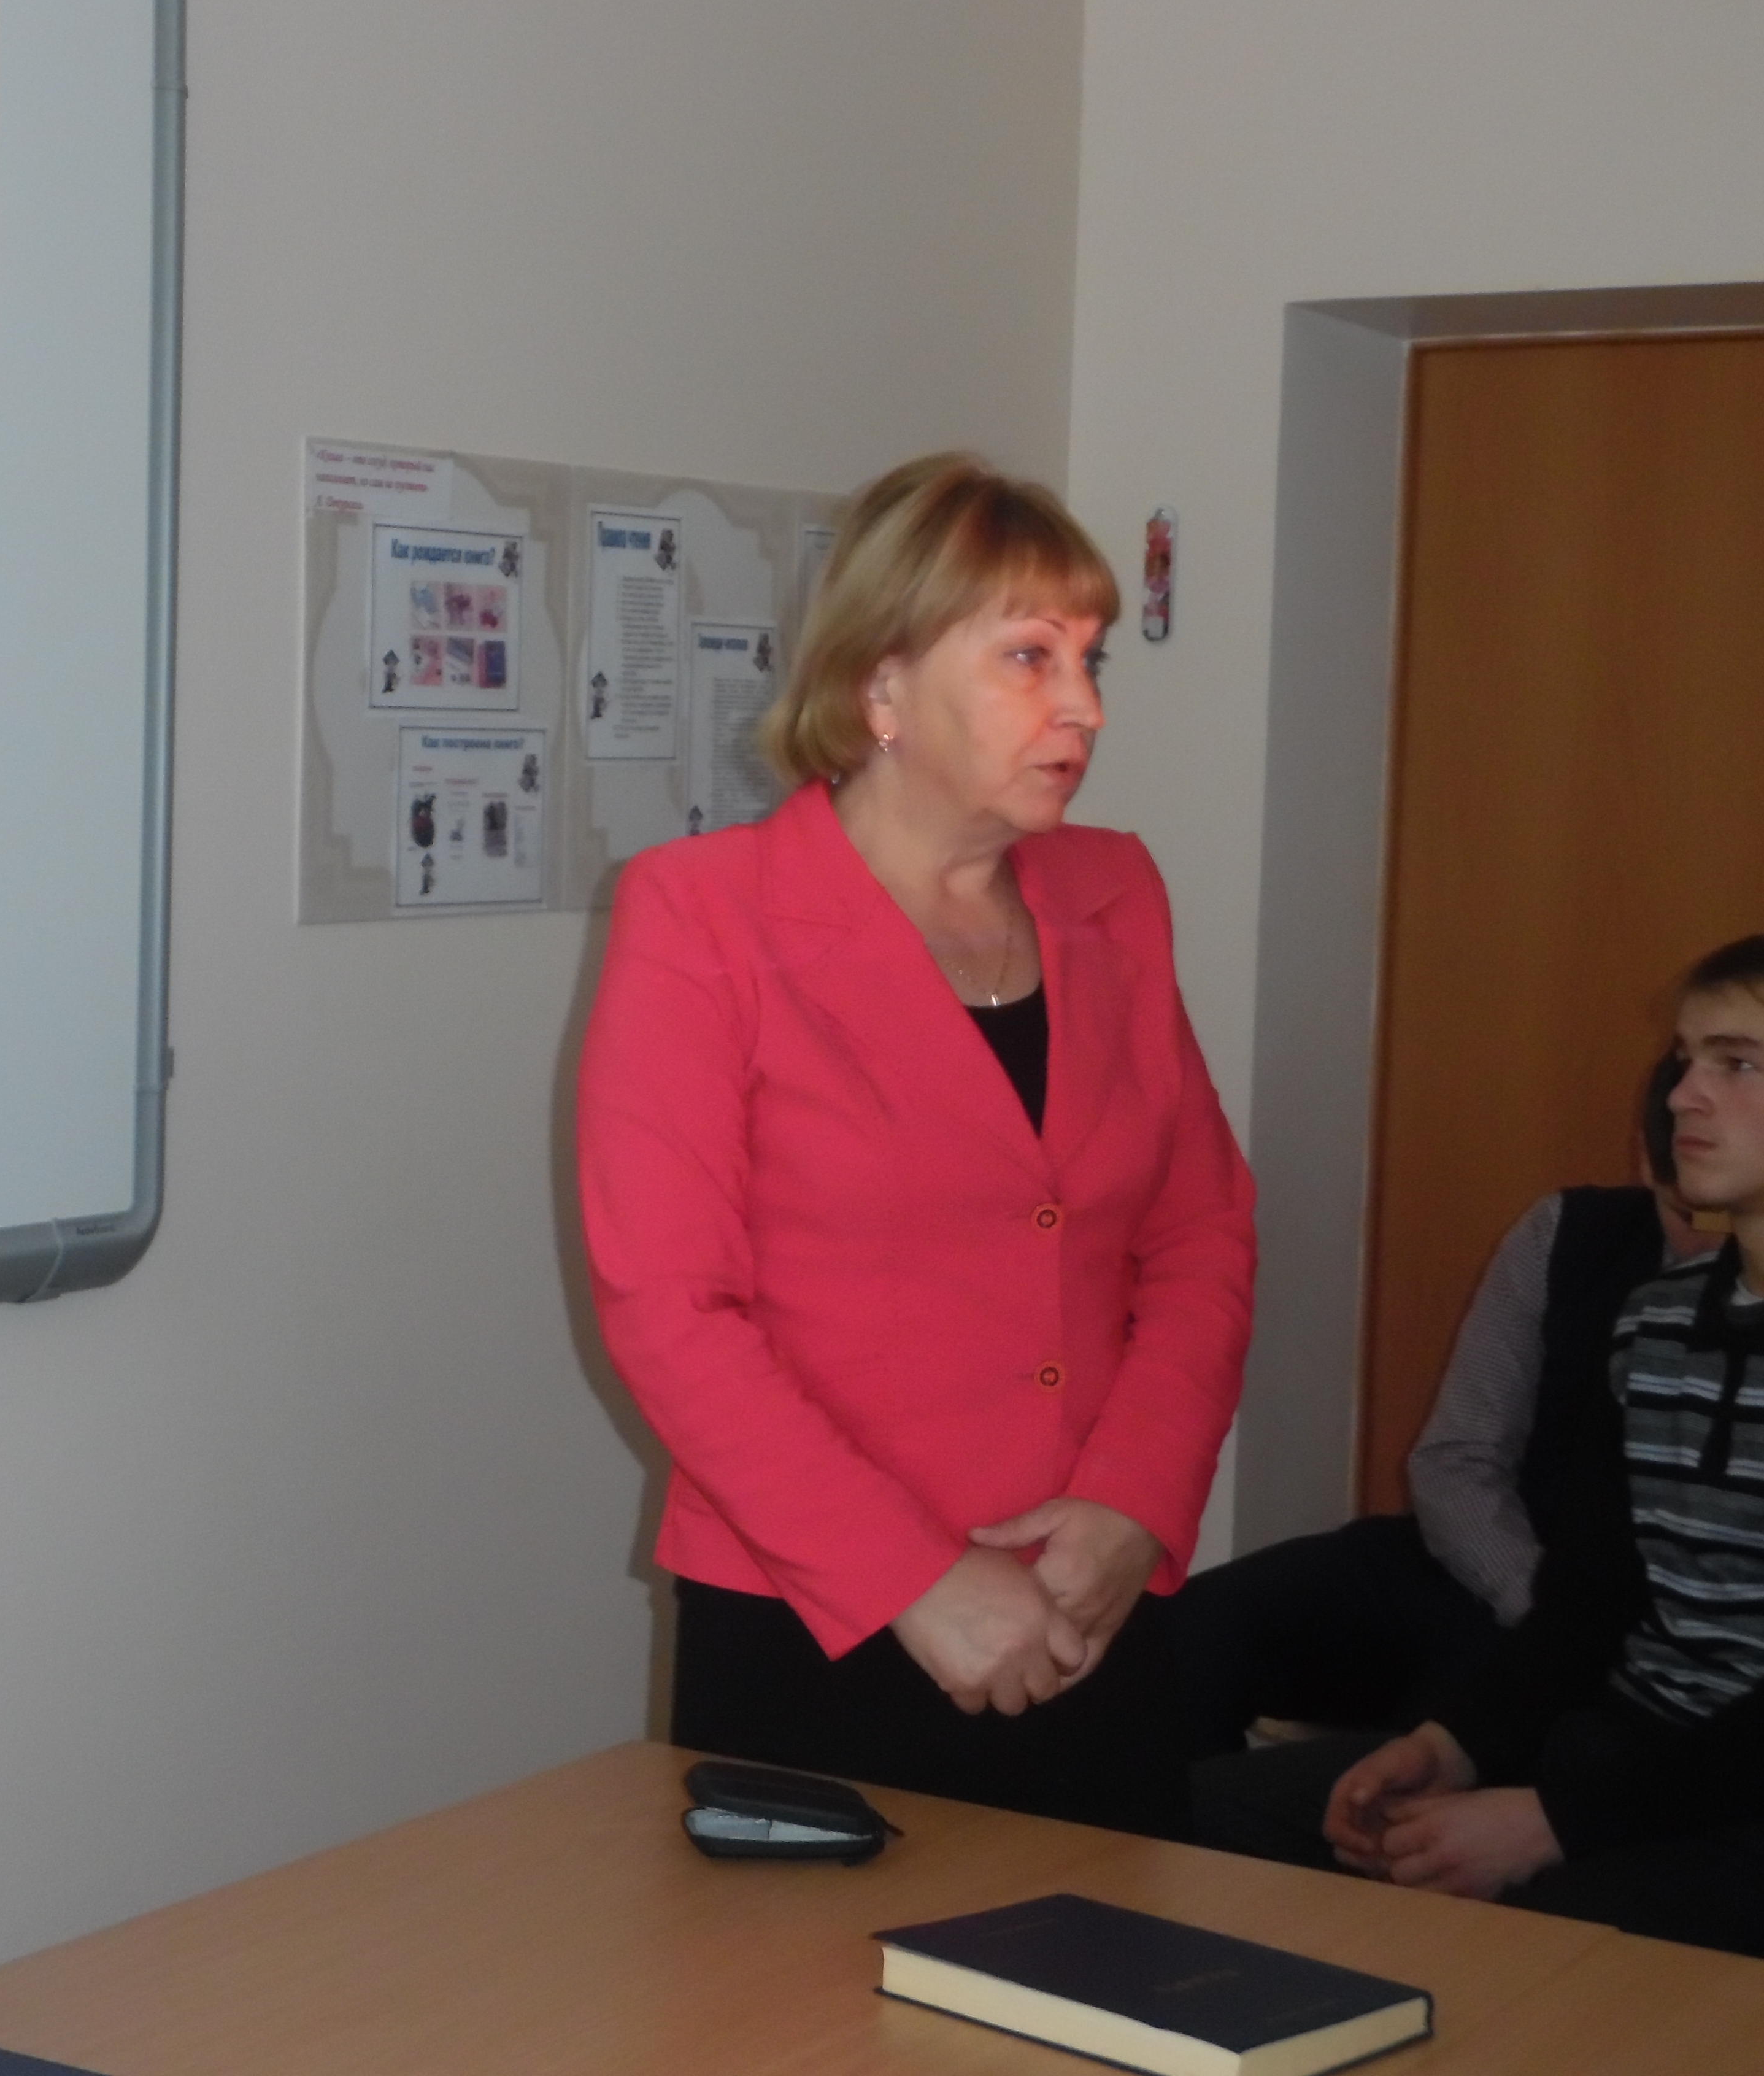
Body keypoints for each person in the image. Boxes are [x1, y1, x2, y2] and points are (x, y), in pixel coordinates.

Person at [575, 453, 1255, 1838]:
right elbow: (671, 1309)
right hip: (821, 1621)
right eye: (1028, 657)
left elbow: (1202, 1235)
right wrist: (914, 1580)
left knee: (1107, 1966)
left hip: (1092, 1604)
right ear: (880, 684)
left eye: (1090, 660)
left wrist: (1131, 1505)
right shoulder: (703, 915)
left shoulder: (1114, 892)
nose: (1082, 705)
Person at [1310, 937, 1764, 1959]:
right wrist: (1453, 1747)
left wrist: (1556, 1823)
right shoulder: (1655, 1322)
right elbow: (1589, 1605)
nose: (1683, 1096)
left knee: (1499, 1961)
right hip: (1624, 1750)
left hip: (1724, 1804)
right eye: (1685, 1061)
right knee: (1251, 1833)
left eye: (1736, 1062)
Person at [1169, 1059, 1713, 1772]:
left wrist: (1564, 1636)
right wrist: (1532, 1599)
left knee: (1407, 1765)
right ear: (1644, 1159)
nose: (1706, 1245)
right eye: (1683, 1216)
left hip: (1625, 1642)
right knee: (1184, 1635)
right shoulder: (1566, 1234)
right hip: (1483, 1566)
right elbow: (1456, 1458)